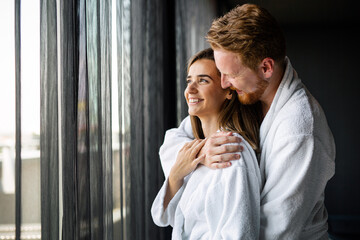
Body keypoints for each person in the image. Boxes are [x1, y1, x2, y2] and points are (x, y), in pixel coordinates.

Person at [159, 3, 335, 240]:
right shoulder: (248, 95)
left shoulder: (300, 130)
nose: (223, 84)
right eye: (220, 73)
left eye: (230, 75)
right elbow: (176, 137)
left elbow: (275, 229)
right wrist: (201, 151)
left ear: (266, 67)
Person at [151, 48, 263, 239]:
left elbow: (239, 233)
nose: (190, 90)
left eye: (203, 80)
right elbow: (170, 217)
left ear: (228, 90)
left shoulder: (231, 151)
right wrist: (176, 175)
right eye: (189, 81)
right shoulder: (196, 146)